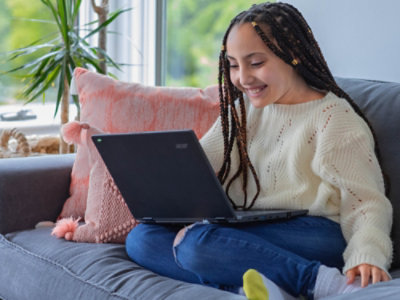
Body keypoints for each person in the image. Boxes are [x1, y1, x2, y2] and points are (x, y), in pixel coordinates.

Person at [125, 2, 393, 299]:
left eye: (255, 63)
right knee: (141, 239)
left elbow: (366, 203)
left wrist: (367, 254)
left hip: (317, 233)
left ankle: (320, 282)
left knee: (197, 243)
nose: (242, 78)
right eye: (233, 65)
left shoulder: (333, 118)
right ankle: (252, 286)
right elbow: (196, 168)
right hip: (249, 227)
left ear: (293, 54)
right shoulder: (241, 112)